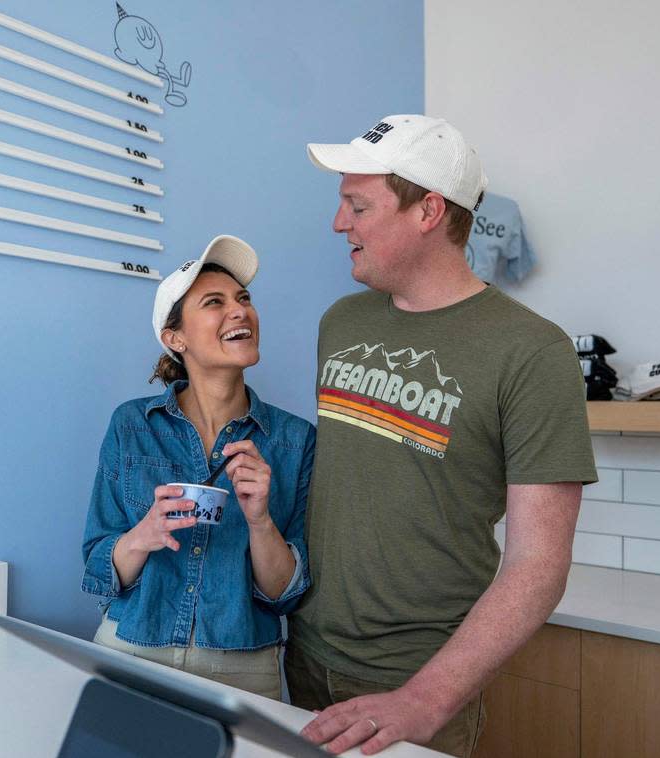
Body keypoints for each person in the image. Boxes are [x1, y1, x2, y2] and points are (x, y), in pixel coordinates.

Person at [287, 115, 597, 756]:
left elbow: (538, 565)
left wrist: (426, 699)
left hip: (417, 680)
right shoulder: (340, 323)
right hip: (301, 655)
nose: (338, 224)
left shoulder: (533, 352)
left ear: (428, 210)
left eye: (357, 205)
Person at [81, 235, 316, 700]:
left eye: (244, 299)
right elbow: (98, 567)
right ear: (175, 339)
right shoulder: (132, 424)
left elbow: (285, 594)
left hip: (245, 667)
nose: (239, 311)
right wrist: (141, 536)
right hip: (132, 649)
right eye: (215, 302)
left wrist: (259, 521)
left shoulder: (295, 440)